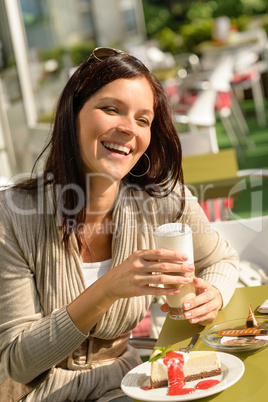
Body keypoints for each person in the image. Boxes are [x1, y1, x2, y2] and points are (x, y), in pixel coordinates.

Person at [0, 47, 239, 402]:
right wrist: (108, 288)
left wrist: (214, 293)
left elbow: (223, 259)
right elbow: (18, 364)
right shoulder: (14, 215)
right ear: (73, 114)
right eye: (111, 109)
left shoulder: (163, 202)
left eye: (143, 120)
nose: (128, 128)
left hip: (126, 385)